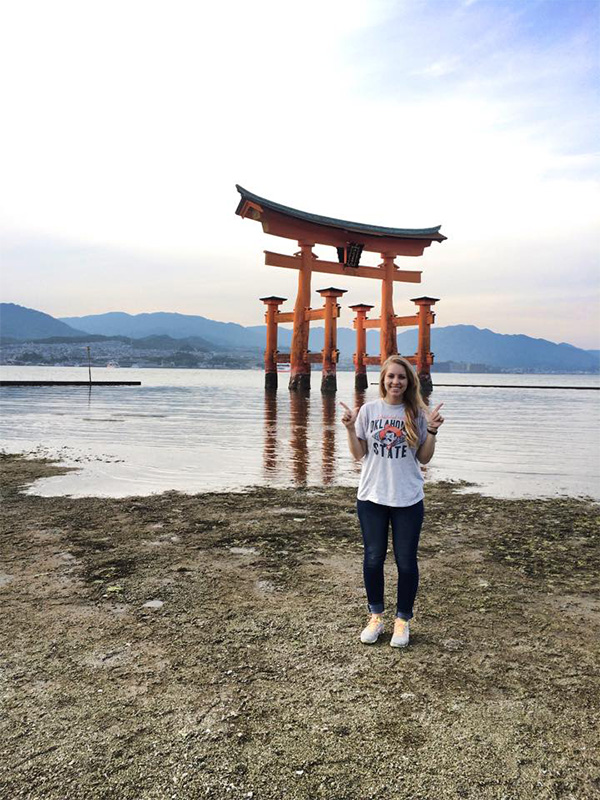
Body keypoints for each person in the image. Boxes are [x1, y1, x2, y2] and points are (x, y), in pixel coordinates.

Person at [340, 355, 444, 647]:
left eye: (401, 377)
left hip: (408, 498)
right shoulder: (369, 411)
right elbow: (359, 454)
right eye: (391, 377)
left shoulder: (417, 414)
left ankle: (403, 620)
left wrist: (433, 431)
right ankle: (375, 617)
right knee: (373, 559)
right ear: (382, 380)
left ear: (409, 381)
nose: (396, 381)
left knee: (406, 563)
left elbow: (423, 458)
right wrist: (349, 427)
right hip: (372, 496)